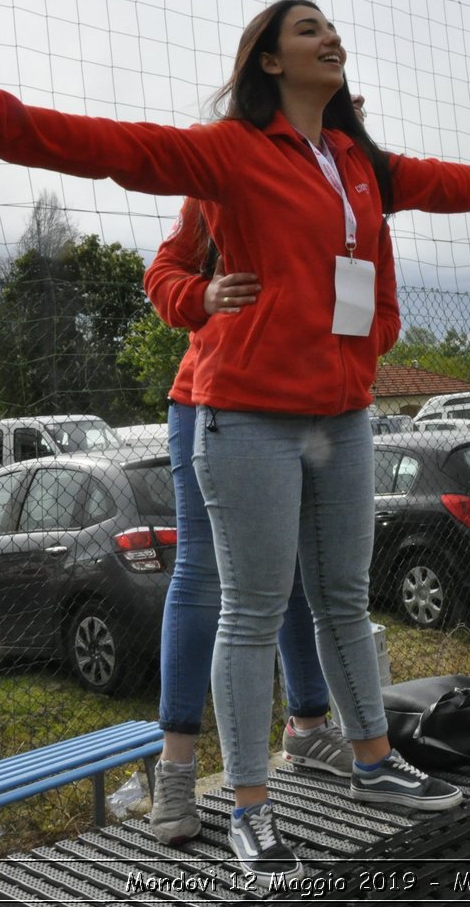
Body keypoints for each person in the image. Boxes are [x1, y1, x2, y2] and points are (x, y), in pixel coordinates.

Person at [0, 0, 470, 879]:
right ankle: (249, 807)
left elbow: (439, 182)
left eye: (332, 27)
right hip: (244, 412)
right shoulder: (231, 152)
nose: (330, 37)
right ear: (270, 63)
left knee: (339, 595)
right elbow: (115, 149)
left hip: (342, 413)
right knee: (249, 607)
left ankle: (373, 762)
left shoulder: (358, 161)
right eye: (307, 30)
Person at [142, 194, 351, 847]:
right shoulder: (226, 168)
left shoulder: (337, 175)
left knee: (284, 561)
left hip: (302, 399)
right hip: (212, 396)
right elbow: (165, 274)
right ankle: (176, 770)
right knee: (204, 571)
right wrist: (203, 295)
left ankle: (308, 726)